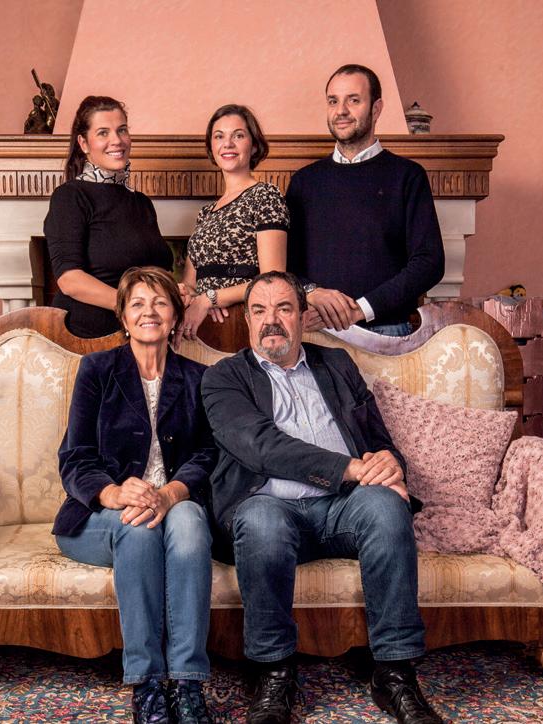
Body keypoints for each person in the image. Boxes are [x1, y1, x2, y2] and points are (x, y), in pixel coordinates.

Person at [201, 271, 444, 724]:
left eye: (283, 308)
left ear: (302, 316)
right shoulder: (223, 378)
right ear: (247, 320)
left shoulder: (336, 364)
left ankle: (395, 674)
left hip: (341, 509)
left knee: (386, 507)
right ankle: (274, 673)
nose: (271, 320)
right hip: (269, 505)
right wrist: (352, 469)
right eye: (259, 310)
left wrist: (389, 465)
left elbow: (377, 437)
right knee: (261, 522)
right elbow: (260, 447)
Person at [53, 267, 215, 723]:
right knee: (138, 529)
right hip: (99, 517)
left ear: (175, 316)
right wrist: (111, 493)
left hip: (175, 504)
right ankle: (147, 684)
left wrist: (171, 494)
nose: (149, 312)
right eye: (138, 304)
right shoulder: (97, 371)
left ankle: (187, 683)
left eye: (160, 303)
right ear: (124, 317)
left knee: (190, 521)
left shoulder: (199, 378)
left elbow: (208, 454)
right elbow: (75, 457)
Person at [286, 64, 445, 337]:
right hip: (317, 334)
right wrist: (312, 293)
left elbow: (429, 262)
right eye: (333, 101)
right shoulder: (304, 182)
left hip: (387, 333)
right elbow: (285, 264)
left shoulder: (407, 176)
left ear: (377, 108)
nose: (341, 111)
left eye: (353, 100)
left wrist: (360, 309)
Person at [44, 96, 173, 338]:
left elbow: (155, 272)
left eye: (122, 130)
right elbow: (70, 280)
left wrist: (174, 293)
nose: (117, 140)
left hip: (141, 336)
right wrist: (135, 307)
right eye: (103, 132)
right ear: (83, 143)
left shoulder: (141, 202)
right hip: (86, 339)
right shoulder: (70, 197)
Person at [179, 104, 288, 340]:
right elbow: (190, 283)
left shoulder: (265, 196)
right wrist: (186, 295)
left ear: (254, 145)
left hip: (242, 321)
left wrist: (211, 298)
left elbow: (273, 279)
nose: (227, 144)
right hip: (202, 324)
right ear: (211, 146)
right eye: (219, 136)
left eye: (238, 135)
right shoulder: (205, 213)